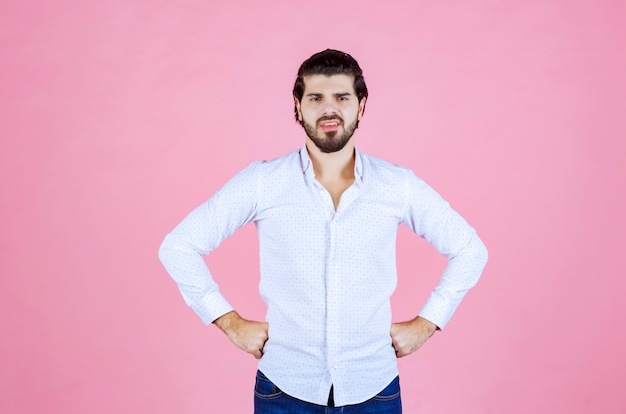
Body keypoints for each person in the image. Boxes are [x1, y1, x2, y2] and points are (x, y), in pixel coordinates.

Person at [159, 49, 488, 413]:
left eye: (342, 98)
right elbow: (179, 246)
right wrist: (228, 320)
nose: (329, 109)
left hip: (374, 390)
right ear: (298, 107)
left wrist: (427, 323)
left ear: (361, 106)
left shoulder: (397, 185)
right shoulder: (263, 182)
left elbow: (470, 249)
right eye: (315, 98)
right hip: (284, 390)